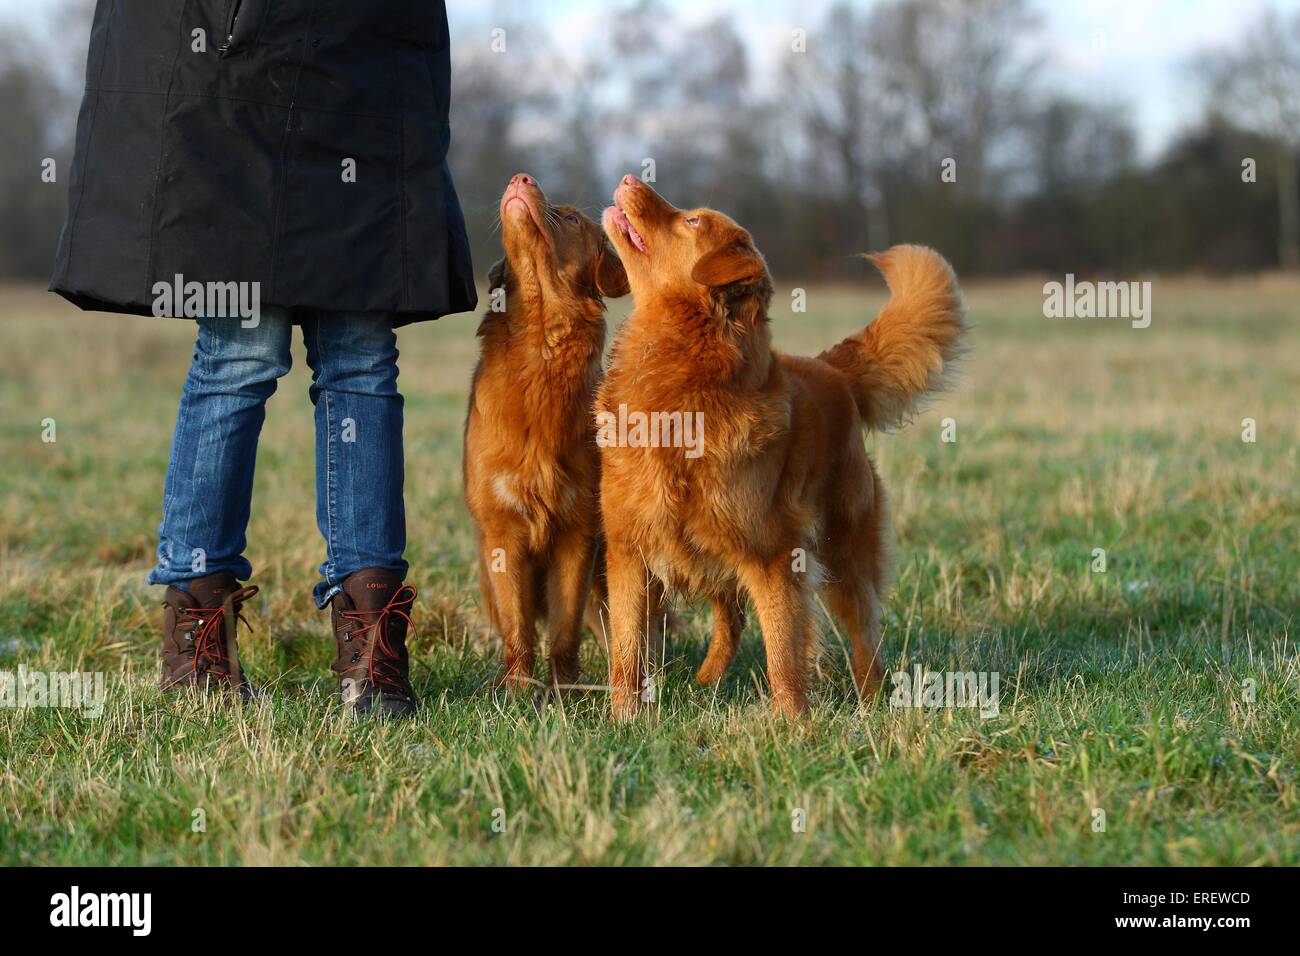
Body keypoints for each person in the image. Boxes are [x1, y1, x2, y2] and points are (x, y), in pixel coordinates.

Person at [49, 0, 476, 717]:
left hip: (361, 70)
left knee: (351, 355)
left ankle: (371, 656)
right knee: (247, 353)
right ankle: (204, 645)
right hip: (235, 68)